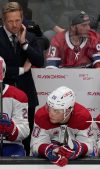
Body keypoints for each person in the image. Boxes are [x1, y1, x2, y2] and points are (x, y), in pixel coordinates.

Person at [0, 1, 44, 155]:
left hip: (27, 94)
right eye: (10, 21)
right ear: (4, 21)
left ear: (22, 18)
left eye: (17, 20)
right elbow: (1, 69)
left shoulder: (30, 37)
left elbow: (40, 61)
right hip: (4, 96)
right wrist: (21, 70)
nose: (14, 25)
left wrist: (24, 43)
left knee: (26, 134)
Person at [30, 86, 96, 166]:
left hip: (76, 156)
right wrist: (49, 150)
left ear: (68, 111)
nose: (51, 113)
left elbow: (89, 146)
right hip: (52, 150)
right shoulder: (41, 115)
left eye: (56, 111)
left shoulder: (83, 117)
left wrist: (77, 148)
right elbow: (36, 145)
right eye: (49, 108)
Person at [0, 56, 29, 156]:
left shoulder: (18, 96)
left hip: (11, 145)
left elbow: (24, 129)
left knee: (17, 159)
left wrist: (11, 130)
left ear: (3, 73)